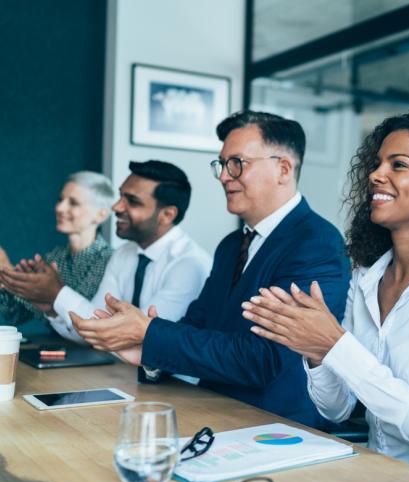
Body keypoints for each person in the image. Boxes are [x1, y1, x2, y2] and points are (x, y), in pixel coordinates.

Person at [240, 104, 409, 478]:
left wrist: (337, 345)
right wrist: (318, 354)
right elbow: (336, 409)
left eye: (397, 165)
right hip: (371, 479)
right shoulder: (367, 278)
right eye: (377, 163)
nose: (375, 174)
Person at [70, 111, 351, 428]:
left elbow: (265, 359)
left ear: (283, 169)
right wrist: (146, 351)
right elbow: (199, 325)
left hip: (275, 428)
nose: (223, 176)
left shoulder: (317, 244)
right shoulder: (231, 245)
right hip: (210, 413)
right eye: (222, 164)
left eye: (237, 164)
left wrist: (150, 334)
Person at [1, 160, 211, 344]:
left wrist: (57, 294)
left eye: (133, 201)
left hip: (171, 386)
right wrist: (50, 306)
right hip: (117, 374)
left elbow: (138, 337)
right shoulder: (124, 254)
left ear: (167, 215)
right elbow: (93, 327)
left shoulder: (188, 264)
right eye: (120, 197)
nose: (116, 207)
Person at [0, 171, 114, 326]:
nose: (60, 208)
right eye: (60, 200)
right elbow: (16, 315)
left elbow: (86, 320)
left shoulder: (111, 261)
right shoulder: (54, 258)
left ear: (100, 215)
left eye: (73, 203)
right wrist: (6, 275)